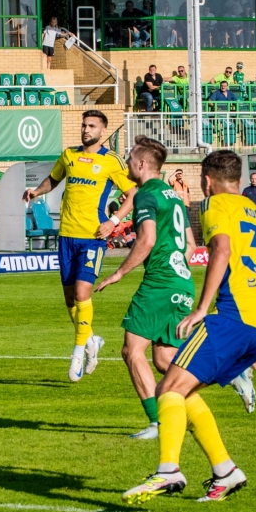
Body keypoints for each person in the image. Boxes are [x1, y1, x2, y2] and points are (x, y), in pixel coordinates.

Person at [122, 150, 256, 505]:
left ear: (207, 181)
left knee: (168, 388)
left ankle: (168, 470)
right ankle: (225, 471)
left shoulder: (216, 204)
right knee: (182, 389)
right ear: (239, 179)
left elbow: (221, 250)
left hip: (233, 317)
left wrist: (202, 309)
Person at [23, 110, 137, 382]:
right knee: (69, 299)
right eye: (84, 125)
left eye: (92, 126)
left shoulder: (111, 160)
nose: (86, 130)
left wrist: (113, 221)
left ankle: (77, 353)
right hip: (67, 236)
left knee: (83, 293)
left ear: (102, 131)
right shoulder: (69, 155)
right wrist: (36, 191)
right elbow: (54, 179)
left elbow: (133, 194)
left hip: (93, 237)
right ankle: (91, 340)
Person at [96, 137, 197, 440]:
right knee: (165, 361)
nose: (127, 163)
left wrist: (119, 273)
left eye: (129, 158)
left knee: (132, 350)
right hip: (182, 281)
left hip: (160, 282)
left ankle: (158, 423)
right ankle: (229, 374)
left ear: (141, 164)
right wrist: (175, 267)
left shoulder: (146, 194)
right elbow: (191, 246)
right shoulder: (174, 196)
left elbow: (147, 240)